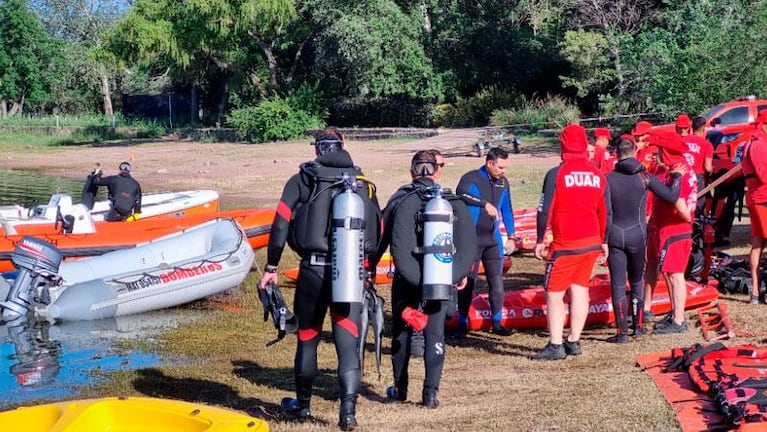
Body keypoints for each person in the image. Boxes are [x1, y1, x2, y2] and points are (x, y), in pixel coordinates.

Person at [258, 127, 381, 431]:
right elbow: (377, 233)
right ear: (343, 145)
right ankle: (348, 414)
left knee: (308, 338)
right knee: (347, 343)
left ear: (317, 149)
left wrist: (271, 267)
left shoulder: (301, 179)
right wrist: (368, 269)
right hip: (350, 272)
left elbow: (280, 225)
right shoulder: (362, 183)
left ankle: (302, 407)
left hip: (312, 270)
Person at [375, 150, 473, 409]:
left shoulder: (399, 199)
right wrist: (458, 273)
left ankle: (400, 388)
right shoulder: (449, 201)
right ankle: (430, 394)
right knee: (435, 333)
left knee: (402, 332)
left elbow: (382, 240)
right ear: (437, 171)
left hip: (406, 281)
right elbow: (465, 245)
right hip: (440, 277)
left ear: (412, 171)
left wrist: (369, 271)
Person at [532, 124, 608, 360]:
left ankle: (555, 345)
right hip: (591, 241)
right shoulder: (597, 173)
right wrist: (603, 239)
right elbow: (604, 209)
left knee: (554, 294)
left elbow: (545, 210)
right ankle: (574, 340)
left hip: (565, 243)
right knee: (580, 290)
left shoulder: (557, 173)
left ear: (563, 144)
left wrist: (539, 239)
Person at [604, 137, 686, 343]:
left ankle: (622, 332)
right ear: (634, 151)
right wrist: (676, 176)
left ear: (616, 153)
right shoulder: (644, 177)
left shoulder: (607, 178)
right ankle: (638, 326)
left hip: (614, 234)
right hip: (638, 235)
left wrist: (602, 239)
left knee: (618, 284)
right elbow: (671, 196)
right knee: (637, 280)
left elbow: (605, 212)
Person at [455, 147, 516, 336]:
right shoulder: (471, 178)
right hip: (471, 239)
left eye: (505, 167)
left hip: (492, 239)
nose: (503, 171)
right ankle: (462, 324)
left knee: (496, 281)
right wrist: (484, 204)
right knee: (468, 282)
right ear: (490, 163)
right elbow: (461, 193)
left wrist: (512, 236)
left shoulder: (503, 183)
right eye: (500, 167)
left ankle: (497, 323)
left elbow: (507, 209)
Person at [644, 131, 697, 333]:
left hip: (675, 228)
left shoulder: (679, 171)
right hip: (661, 227)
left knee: (675, 275)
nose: (655, 155)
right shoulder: (667, 169)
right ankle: (675, 313)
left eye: (659, 151)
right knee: (666, 271)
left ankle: (678, 320)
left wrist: (686, 218)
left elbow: (681, 205)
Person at [741, 109, 767, 304]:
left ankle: (757, 292)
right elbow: (763, 174)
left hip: (757, 196)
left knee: (758, 243)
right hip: (762, 197)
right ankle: (757, 290)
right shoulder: (759, 144)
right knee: (759, 243)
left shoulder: (753, 141)